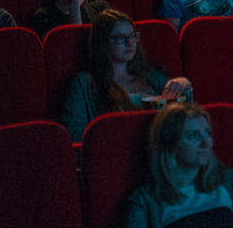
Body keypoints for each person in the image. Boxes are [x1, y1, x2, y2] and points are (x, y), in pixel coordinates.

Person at [59, 9, 190, 139]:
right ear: (103, 42)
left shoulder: (155, 78)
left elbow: (184, 122)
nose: (130, 43)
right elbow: (72, 134)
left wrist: (186, 90)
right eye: (121, 38)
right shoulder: (84, 84)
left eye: (132, 36)